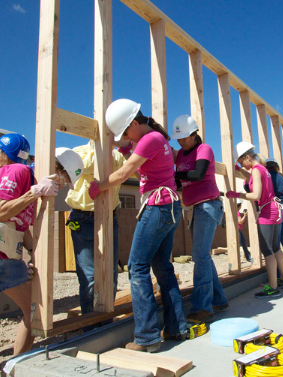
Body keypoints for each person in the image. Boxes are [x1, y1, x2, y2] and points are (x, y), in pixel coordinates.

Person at [90, 99, 186, 353]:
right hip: (168, 205)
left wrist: (98, 186)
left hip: (158, 205)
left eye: (124, 131)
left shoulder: (149, 139)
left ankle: (147, 337)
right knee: (162, 265)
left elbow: (123, 174)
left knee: (137, 266)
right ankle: (177, 328)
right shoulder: (154, 138)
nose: (124, 137)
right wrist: (117, 143)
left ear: (134, 123)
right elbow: (136, 158)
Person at [0, 134, 69, 355]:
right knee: (33, 312)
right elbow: (1, 212)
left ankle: (13, 367)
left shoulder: (27, 178)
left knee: (32, 312)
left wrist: (33, 254)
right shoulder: (16, 171)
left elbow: (19, 228)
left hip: (8, 256)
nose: (63, 183)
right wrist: (35, 193)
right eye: (64, 177)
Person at [172, 114, 228, 322]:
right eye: (178, 139)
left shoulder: (204, 149)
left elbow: (197, 174)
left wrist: (175, 175)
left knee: (199, 256)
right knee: (202, 255)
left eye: (184, 138)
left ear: (194, 134)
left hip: (208, 205)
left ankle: (203, 307)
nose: (181, 142)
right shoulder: (180, 155)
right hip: (194, 208)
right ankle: (219, 300)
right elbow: (180, 182)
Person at [65, 142, 129, 318]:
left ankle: (105, 320)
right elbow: (85, 166)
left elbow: (128, 170)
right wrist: (102, 151)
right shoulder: (78, 151)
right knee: (89, 275)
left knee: (111, 272)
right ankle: (89, 323)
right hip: (83, 218)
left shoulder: (117, 156)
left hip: (109, 216)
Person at [227, 142, 283, 298]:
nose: (243, 165)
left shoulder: (256, 169)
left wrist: (236, 195)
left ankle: (273, 287)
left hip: (267, 212)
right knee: (275, 247)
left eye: (241, 162)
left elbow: (255, 195)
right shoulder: (263, 169)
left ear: (247, 157)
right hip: (274, 210)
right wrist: (240, 170)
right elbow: (254, 178)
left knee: (267, 250)